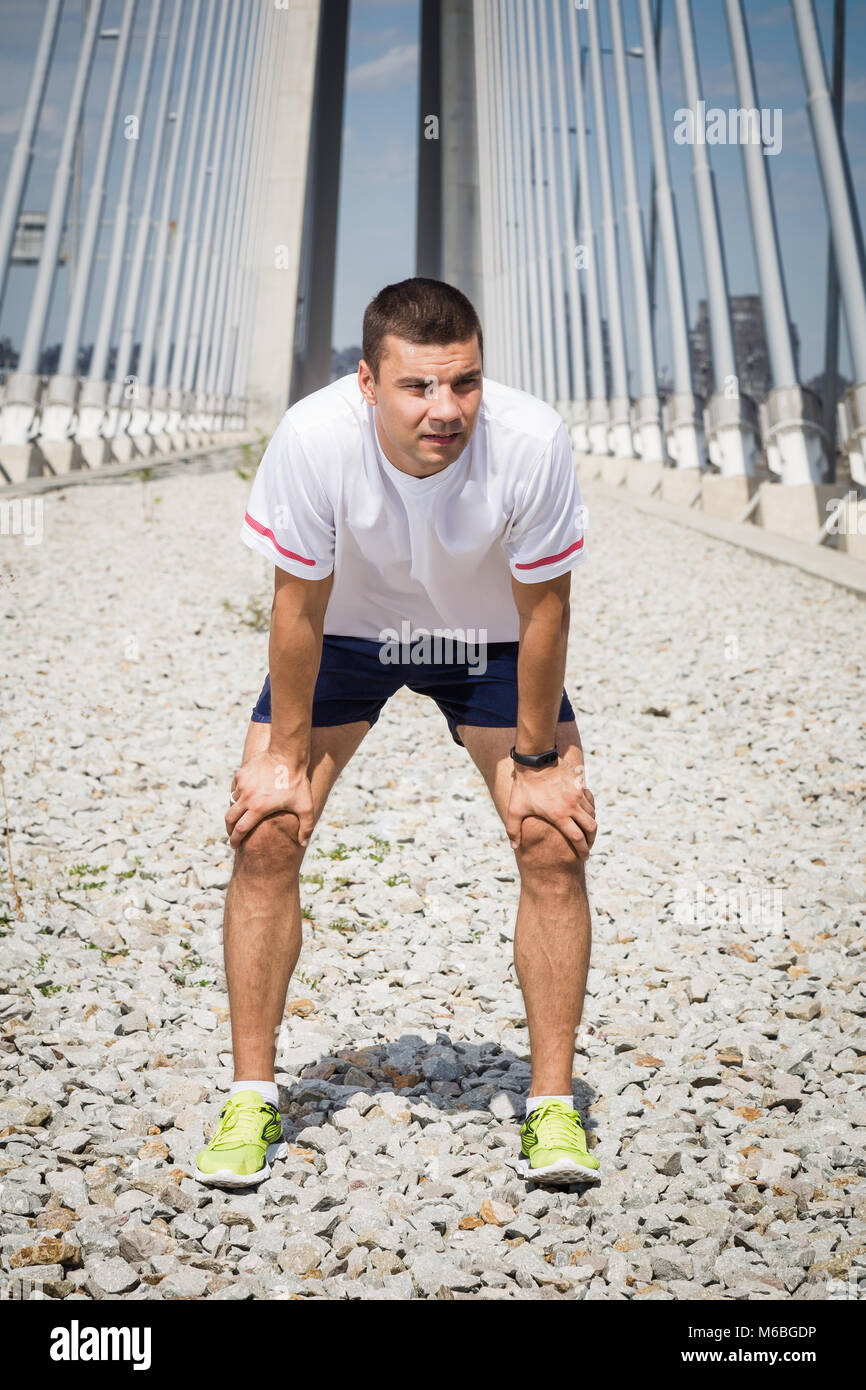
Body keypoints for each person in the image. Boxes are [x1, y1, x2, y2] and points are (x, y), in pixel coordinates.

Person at [195, 278, 599, 1188]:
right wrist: (284, 762)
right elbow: (296, 606)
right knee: (267, 829)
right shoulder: (313, 437)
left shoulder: (531, 440)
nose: (446, 410)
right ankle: (253, 1095)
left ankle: (551, 1110)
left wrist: (537, 762)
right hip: (348, 635)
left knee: (551, 839)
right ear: (369, 383)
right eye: (418, 387)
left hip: (488, 637)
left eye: (464, 383)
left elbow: (546, 611)